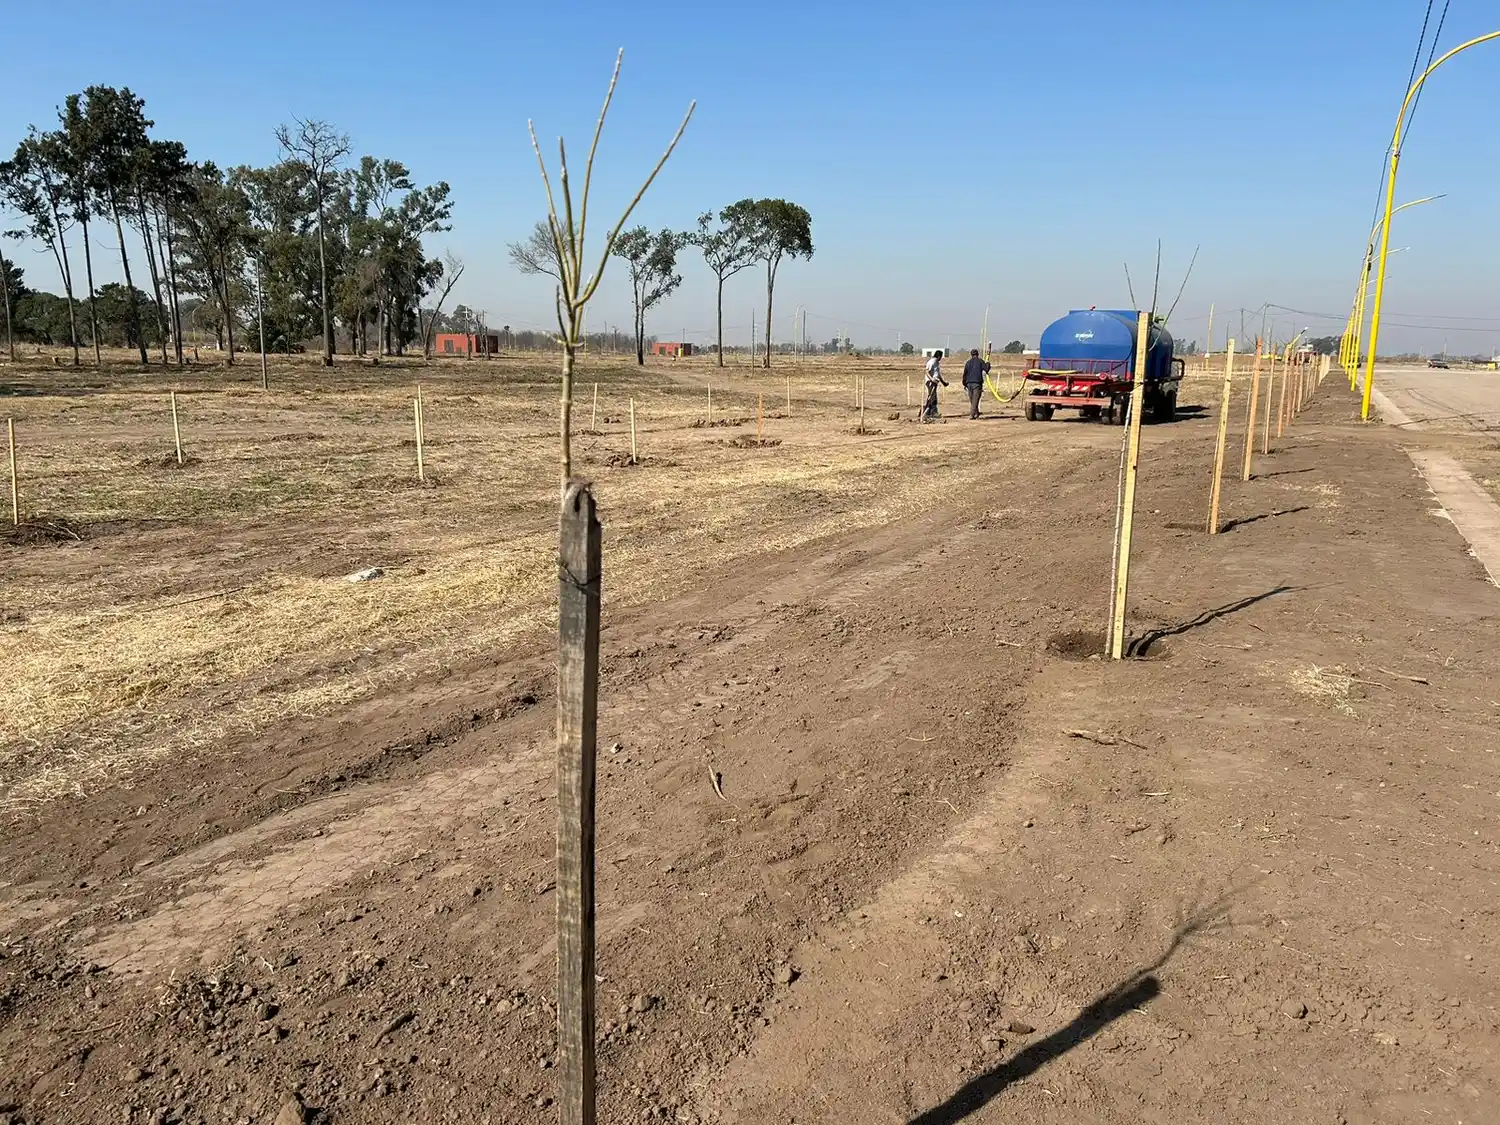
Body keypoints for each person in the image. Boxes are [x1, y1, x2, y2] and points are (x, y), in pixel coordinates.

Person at [962, 349, 992, 419]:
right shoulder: (980, 361)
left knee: (973, 400)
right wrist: (988, 363)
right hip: (977, 383)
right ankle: (972, 415)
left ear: (971, 355)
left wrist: (964, 384)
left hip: (968, 383)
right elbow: (986, 369)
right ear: (977, 354)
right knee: (975, 400)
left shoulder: (968, 363)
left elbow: (964, 374)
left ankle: (976, 413)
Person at [922, 350, 947, 422]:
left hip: (935, 382)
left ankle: (928, 412)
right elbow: (926, 371)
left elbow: (938, 374)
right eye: (941, 357)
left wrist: (943, 382)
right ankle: (932, 412)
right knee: (932, 397)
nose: (941, 359)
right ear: (939, 356)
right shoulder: (931, 362)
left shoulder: (936, 363)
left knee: (932, 396)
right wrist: (932, 379)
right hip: (930, 382)